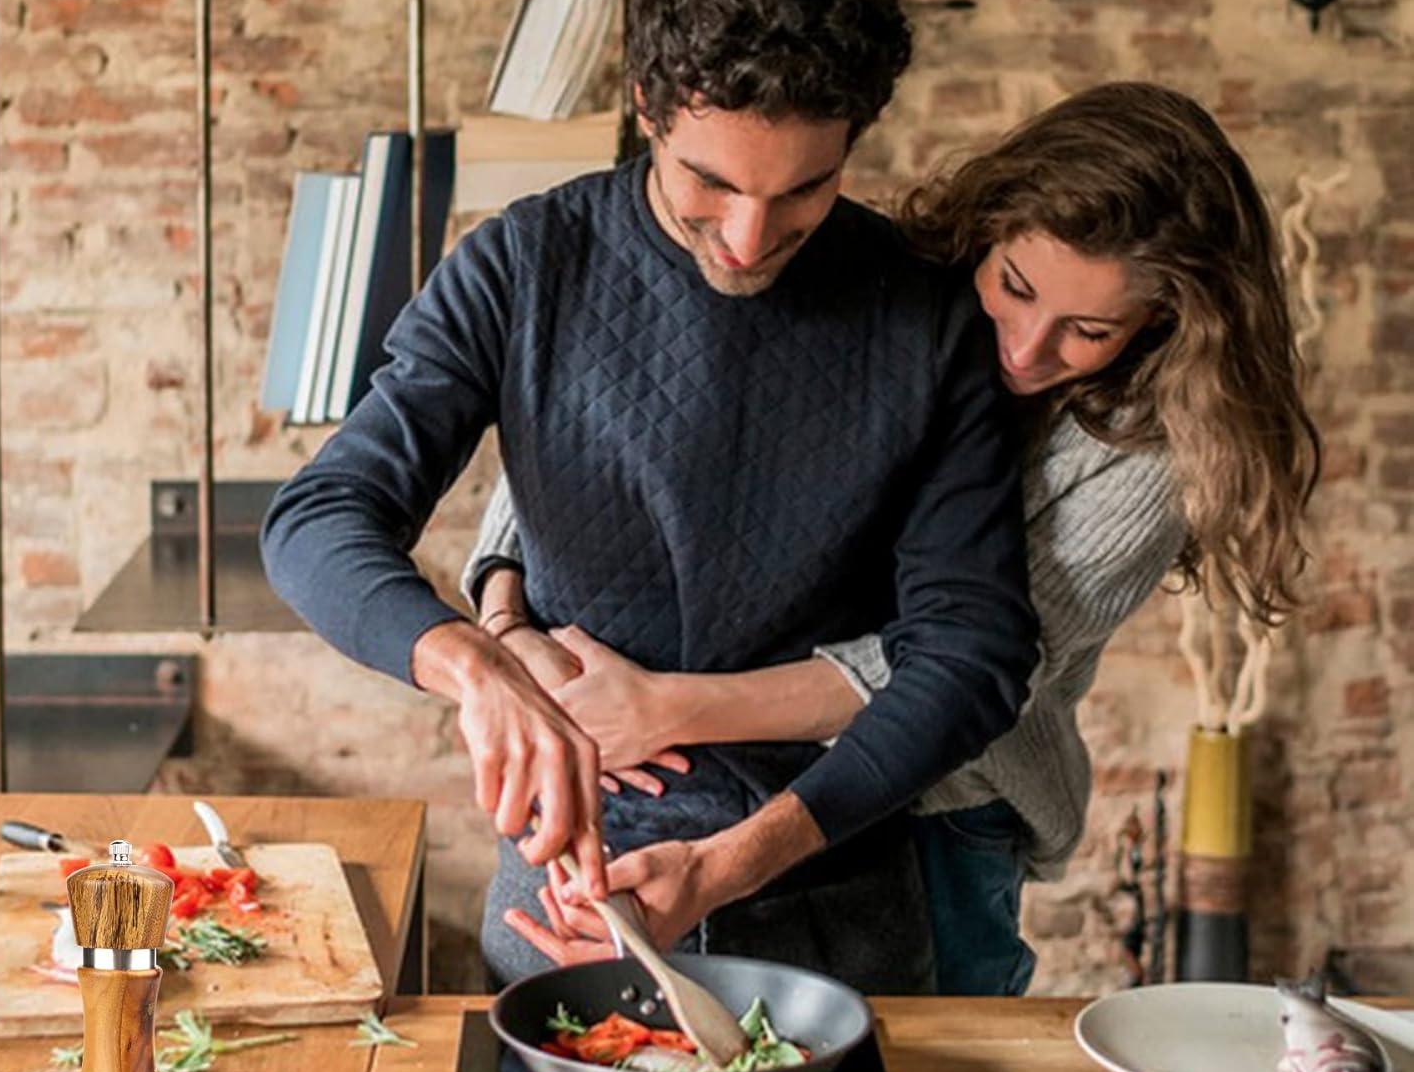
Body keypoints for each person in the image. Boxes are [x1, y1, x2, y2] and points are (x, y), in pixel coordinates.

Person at [261, 0, 1040, 993]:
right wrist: (477, 665)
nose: (748, 237)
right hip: (574, 889)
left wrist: (730, 866)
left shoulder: (925, 314)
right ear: (646, 103)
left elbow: (972, 654)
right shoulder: (524, 265)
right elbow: (318, 520)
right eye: (708, 184)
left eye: (805, 190)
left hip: (837, 887)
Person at [470, 81, 1322, 994]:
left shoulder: (1148, 464)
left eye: (1088, 330)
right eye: (1016, 287)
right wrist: (505, 617)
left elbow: (960, 670)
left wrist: (668, 707)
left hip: (944, 813)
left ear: (1163, 323)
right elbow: (600, 439)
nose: (1027, 347)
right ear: (988, 231)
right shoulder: (886, 299)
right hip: (713, 766)